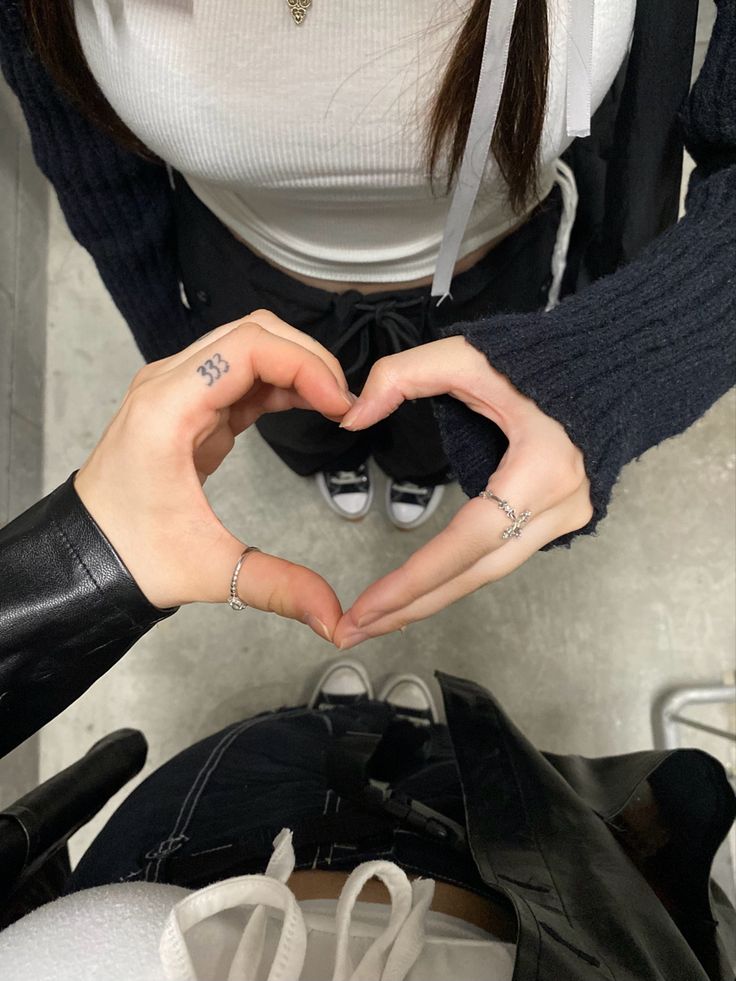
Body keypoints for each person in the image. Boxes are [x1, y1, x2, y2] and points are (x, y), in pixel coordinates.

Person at [1, 323, 734, 980]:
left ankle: (345, 720)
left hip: (190, 844)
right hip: (524, 884)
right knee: (431, 754)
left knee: (302, 738)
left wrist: (79, 562)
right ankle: (386, 728)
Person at [0, 0, 734, 540]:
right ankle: (337, 457)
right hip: (250, 279)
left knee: (437, 442)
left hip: (495, 278)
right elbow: (90, 164)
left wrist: (630, 360)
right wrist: (170, 343)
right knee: (305, 431)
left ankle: (418, 469)